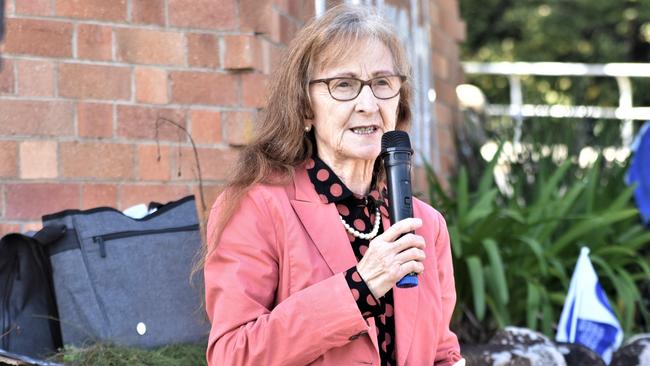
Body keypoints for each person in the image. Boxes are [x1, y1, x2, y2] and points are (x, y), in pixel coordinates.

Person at [203, 4, 462, 365]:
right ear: (305, 108)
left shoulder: (426, 225)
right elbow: (233, 355)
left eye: (382, 83)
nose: (369, 104)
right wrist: (360, 288)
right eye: (344, 85)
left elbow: (441, 350)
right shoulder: (259, 207)